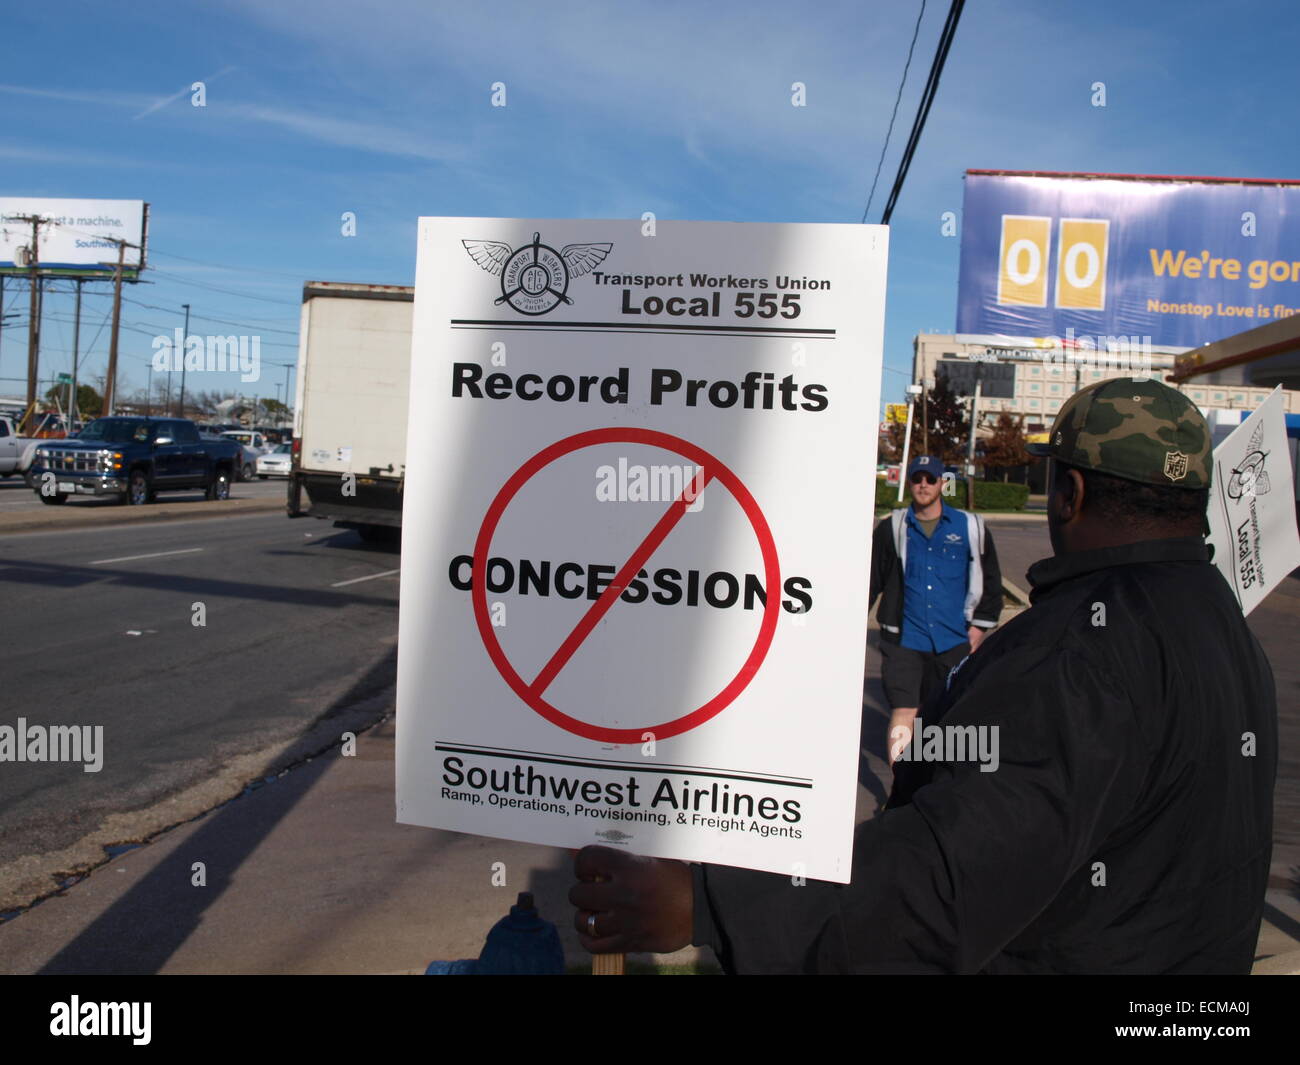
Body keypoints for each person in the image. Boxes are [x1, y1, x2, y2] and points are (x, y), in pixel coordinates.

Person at [569, 378, 1277, 973]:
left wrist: (707, 901)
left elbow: (945, 875)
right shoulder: (1225, 627)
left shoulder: (1081, 655)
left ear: (1071, 493)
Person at [868, 454, 1002, 762]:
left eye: (930, 479)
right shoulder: (893, 528)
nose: (923, 485)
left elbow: (991, 579)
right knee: (904, 712)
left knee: (947, 718)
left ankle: (933, 789)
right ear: (910, 482)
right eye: (917, 479)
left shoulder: (970, 527)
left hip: (953, 638)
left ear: (942, 482)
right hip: (903, 639)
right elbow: (872, 579)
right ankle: (899, 792)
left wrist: (979, 627)